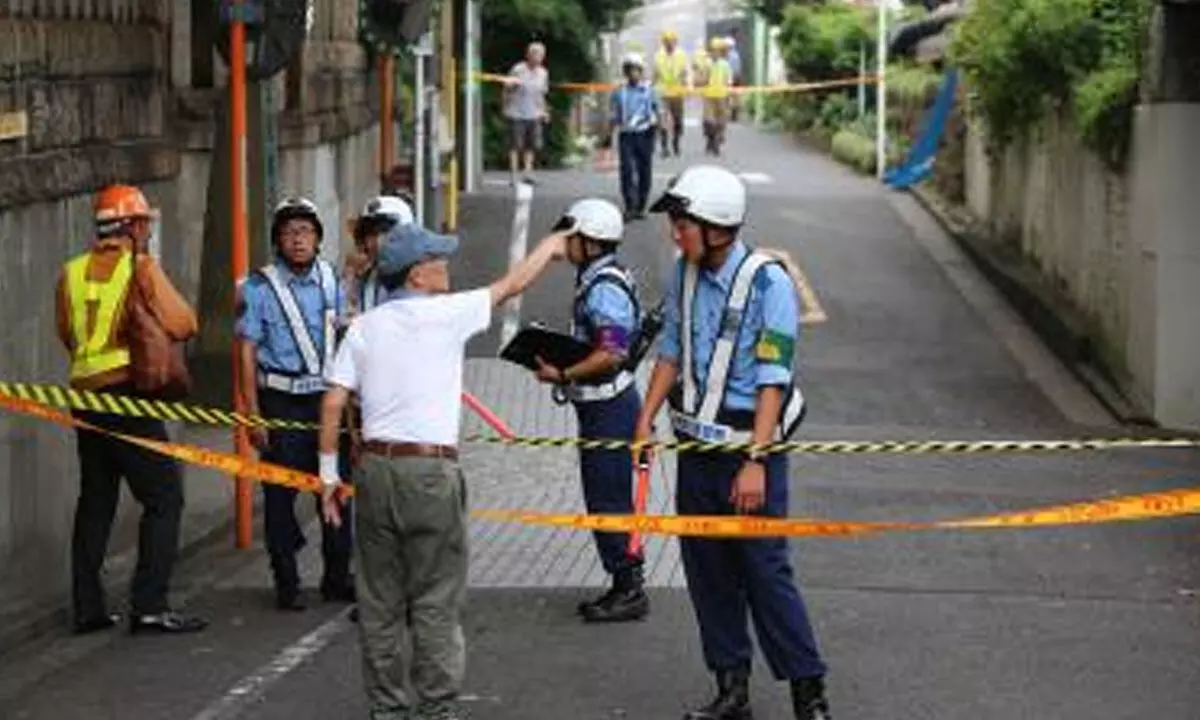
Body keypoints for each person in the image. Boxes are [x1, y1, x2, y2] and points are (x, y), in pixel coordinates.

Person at [318, 222, 569, 720]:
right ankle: (436, 708)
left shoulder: (364, 326)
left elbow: (332, 403)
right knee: (435, 597)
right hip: (430, 473)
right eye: (438, 258)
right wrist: (552, 246)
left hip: (373, 468)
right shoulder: (446, 315)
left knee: (380, 598)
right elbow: (513, 284)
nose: (446, 265)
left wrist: (328, 476)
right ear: (417, 274)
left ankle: (387, 709)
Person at [637, 165, 832, 720]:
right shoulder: (683, 274)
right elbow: (670, 352)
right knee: (708, 571)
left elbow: (775, 378)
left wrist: (756, 463)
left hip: (750, 448)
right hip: (696, 452)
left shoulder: (770, 285)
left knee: (765, 571)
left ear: (716, 226)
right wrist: (644, 419)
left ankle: (808, 692)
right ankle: (731, 688)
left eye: (682, 223)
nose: (675, 233)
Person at [56, 184, 207, 635]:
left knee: (96, 502)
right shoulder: (139, 267)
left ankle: (88, 608)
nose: (146, 230)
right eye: (144, 223)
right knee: (165, 498)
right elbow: (184, 322)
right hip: (129, 396)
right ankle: (149, 604)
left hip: (86, 398)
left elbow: (67, 333)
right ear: (133, 226)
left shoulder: (71, 272)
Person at [236, 196, 355, 612]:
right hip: (280, 401)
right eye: (289, 233)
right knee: (281, 497)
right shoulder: (259, 287)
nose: (298, 239)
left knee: (337, 489)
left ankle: (337, 578)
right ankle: (286, 580)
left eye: (305, 231)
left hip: (326, 401)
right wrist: (252, 414)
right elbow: (247, 353)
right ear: (277, 241)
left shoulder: (331, 281)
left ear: (318, 238)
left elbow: (346, 340)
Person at [532, 198, 649, 623]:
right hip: (604, 406)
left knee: (608, 496)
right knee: (606, 494)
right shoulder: (598, 276)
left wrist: (564, 373)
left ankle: (628, 587)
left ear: (590, 240)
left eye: (572, 236)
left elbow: (613, 352)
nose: (566, 243)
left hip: (610, 408)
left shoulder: (603, 287)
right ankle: (624, 581)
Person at [607, 52, 660, 220]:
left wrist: (660, 130)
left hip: (645, 133)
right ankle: (630, 205)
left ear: (641, 71)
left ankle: (641, 206)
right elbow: (614, 114)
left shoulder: (649, 90)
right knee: (627, 170)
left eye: (636, 70)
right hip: (626, 135)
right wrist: (608, 134)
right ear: (626, 72)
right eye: (630, 70)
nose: (633, 74)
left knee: (645, 170)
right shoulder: (619, 92)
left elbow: (657, 111)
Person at [344, 195, 417, 316]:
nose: (378, 242)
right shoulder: (364, 282)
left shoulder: (424, 280)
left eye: (386, 232)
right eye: (371, 234)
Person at [503, 41, 550, 185]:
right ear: (528, 55)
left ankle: (528, 173)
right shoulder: (518, 70)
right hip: (516, 112)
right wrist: (506, 103)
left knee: (532, 145)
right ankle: (513, 175)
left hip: (534, 113)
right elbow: (506, 88)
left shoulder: (543, 73)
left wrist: (544, 111)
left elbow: (541, 94)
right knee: (515, 145)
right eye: (535, 54)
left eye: (541, 55)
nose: (538, 58)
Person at [653, 29, 690, 157]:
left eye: (671, 41)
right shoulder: (658, 55)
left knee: (678, 120)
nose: (669, 44)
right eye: (666, 42)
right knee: (662, 120)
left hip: (677, 92)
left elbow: (685, 72)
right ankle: (664, 147)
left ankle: (676, 142)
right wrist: (651, 88)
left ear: (675, 42)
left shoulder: (681, 55)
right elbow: (656, 73)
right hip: (663, 92)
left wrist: (686, 86)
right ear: (663, 43)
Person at [703, 38, 733, 156]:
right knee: (709, 120)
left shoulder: (725, 65)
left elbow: (728, 81)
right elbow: (703, 79)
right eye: (712, 51)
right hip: (709, 96)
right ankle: (711, 140)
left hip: (721, 96)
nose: (714, 53)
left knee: (721, 120)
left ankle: (718, 138)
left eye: (717, 51)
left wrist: (729, 94)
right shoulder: (707, 64)